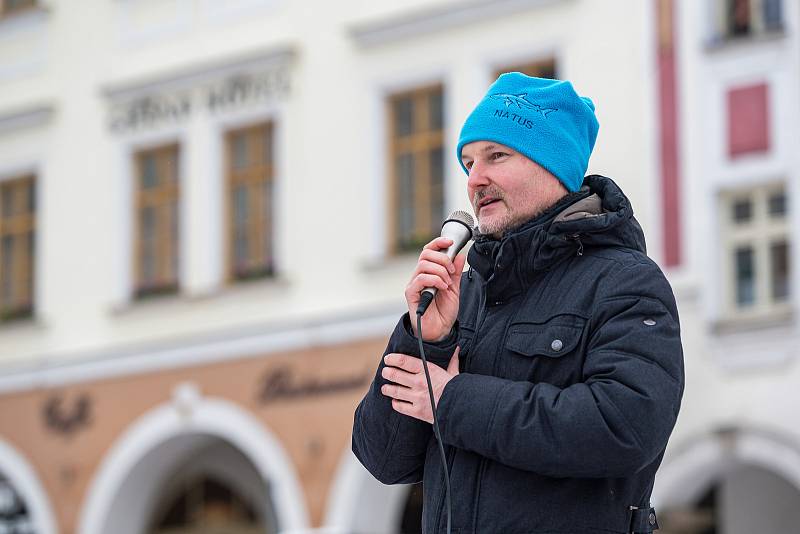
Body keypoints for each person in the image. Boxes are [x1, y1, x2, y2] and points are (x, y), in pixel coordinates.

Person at [352, 72, 684, 534]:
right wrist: (424, 338)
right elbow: (382, 459)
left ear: (553, 165)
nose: (475, 179)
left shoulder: (623, 282)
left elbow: (624, 425)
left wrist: (453, 400)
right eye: (468, 162)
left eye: (496, 156)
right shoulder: (461, 294)